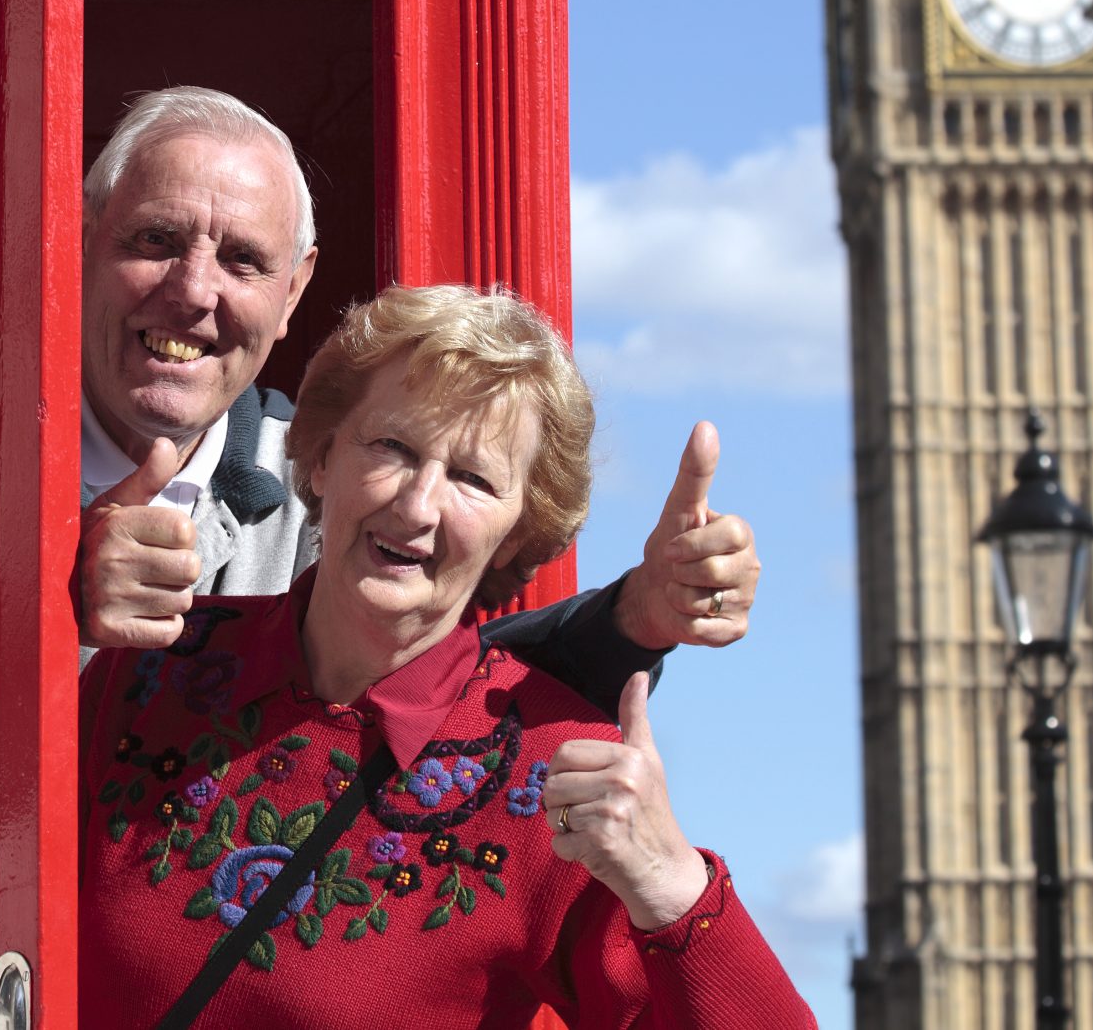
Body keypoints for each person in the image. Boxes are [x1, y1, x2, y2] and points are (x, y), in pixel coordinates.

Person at [0, 86, 763, 825]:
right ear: (76, 242)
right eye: (156, 239)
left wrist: (632, 621)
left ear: (294, 295)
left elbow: (442, 690)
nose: (193, 292)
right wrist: (47, 594)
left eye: (243, 261)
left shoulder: (322, 476)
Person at [77, 285, 813, 1029]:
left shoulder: (552, 776)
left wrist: (672, 881)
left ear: (521, 531)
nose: (418, 504)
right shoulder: (150, 667)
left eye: (473, 478)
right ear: (324, 455)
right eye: (392, 446)